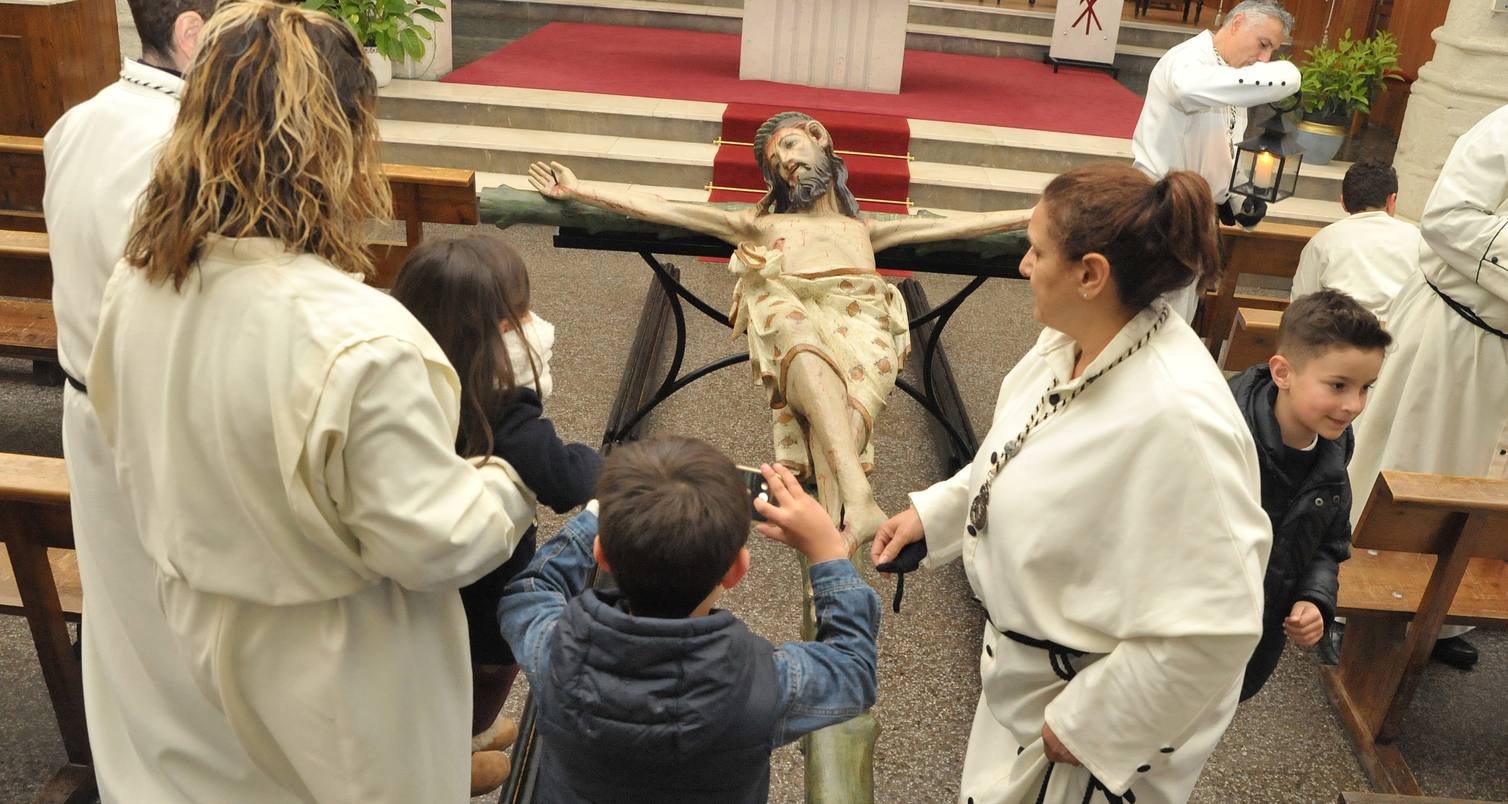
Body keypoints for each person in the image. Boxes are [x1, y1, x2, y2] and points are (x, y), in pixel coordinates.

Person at [87, 0, 537, 802]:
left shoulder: (142, 281)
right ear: (339, 145)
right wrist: (505, 482)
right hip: (341, 664)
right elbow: (432, 543)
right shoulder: (360, 337)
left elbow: (126, 434)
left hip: (196, 622)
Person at [871, 164, 1271, 804]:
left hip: (1083, 725)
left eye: (1036, 250)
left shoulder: (1180, 420)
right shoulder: (1070, 340)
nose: (1025, 266)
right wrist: (938, 513)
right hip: (1027, 687)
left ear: (1091, 275)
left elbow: (1220, 625)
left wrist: (1089, 726)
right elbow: (1020, 449)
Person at [41, 0, 295, 802]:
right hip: (162, 426)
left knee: (134, 645)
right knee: (200, 644)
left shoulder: (79, 121)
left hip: (94, 408)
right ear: (193, 37)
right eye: (256, 28)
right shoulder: (183, 150)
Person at [528, 112, 1033, 544]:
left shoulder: (865, 228)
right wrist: (579, 190)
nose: (785, 162)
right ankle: (856, 510)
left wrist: (1038, 213)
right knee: (789, 326)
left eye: (790, 145)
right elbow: (670, 209)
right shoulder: (760, 224)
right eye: (776, 162)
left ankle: (839, 536)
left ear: (819, 137)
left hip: (864, 320)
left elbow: (968, 224)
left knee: (838, 427)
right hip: (794, 319)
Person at [499, 438, 881, 804]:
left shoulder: (555, 652)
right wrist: (828, 553)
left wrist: (595, 518)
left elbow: (530, 591)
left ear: (602, 555)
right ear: (735, 571)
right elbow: (851, 670)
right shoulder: (767, 685)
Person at [391, 235, 603, 794]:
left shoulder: (405, 376)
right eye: (522, 311)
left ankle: (460, 733)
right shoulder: (503, 399)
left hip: (421, 576)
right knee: (489, 667)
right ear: (498, 329)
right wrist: (602, 466)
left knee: (435, 666)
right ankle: (461, 749)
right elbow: (559, 477)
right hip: (489, 582)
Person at [1345, 103, 1508, 672]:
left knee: (1478, 487)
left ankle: (1438, 619)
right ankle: (1346, 603)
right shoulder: (1503, 129)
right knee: (1402, 461)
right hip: (1454, 333)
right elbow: (1448, 217)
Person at [1230, 290, 1388, 693]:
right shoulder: (1227, 440)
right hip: (1187, 632)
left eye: (1366, 387)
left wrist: (1314, 598)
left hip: (1255, 644)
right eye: (1338, 385)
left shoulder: (1331, 459)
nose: (1354, 404)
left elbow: (1328, 544)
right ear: (1283, 373)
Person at [1132, 0, 1302, 322]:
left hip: (1200, 215)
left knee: (1178, 321)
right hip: (1160, 209)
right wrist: (1289, 76)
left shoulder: (1233, 73)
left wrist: (1237, 201)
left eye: (1273, 53)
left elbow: (1225, 146)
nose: (1265, 60)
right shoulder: (1186, 60)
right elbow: (1186, 92)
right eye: (1263, 44)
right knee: (1146, 317)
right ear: (1237, 23)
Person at [1290, 160, 1420, 321]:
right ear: (1391, 201)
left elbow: (1301, 303)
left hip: (1340, 336)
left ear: (1343, 202)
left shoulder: (1323, 240)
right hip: (1399, 336)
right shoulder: (1417, 238)